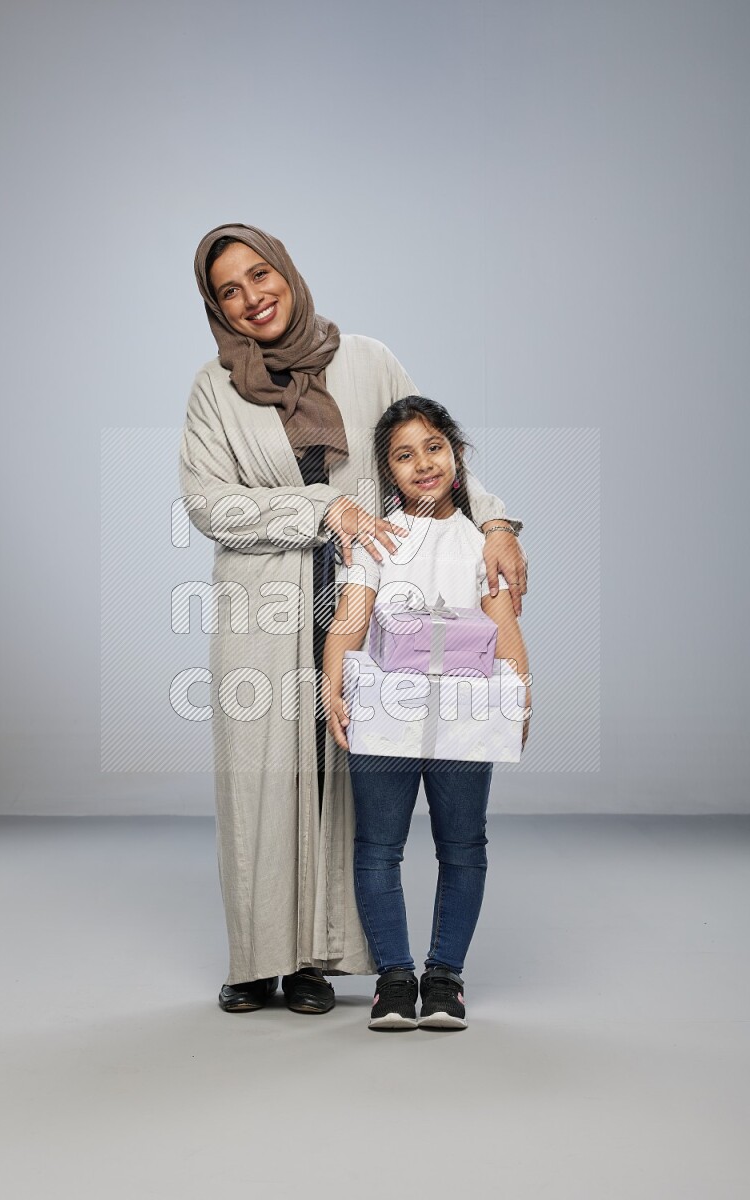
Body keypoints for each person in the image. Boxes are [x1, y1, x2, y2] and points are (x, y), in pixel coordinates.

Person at [178, 223, 527, 1016]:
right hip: (264, 605)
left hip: (375, 598)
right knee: (264, 780)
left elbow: (428, 456)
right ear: (217, 307)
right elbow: (207, 502)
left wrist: (501, 523)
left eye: (259, 274)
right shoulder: (214, 388)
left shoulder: (367, 359)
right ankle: (255, 957)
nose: (251, 297)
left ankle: (314, 960)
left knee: (347, 778)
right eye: (229, 289)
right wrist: (321, 507)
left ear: (288, 272)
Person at [322, 395, 531, 1031]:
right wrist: (334, 681)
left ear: (457, 456)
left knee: (463, 846)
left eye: (433, 448)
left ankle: (445, 978)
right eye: (403, 456)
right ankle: (394, 977)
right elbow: (350, 621)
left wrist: (520, 691)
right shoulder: (380, 538)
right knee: (379, 848)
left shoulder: (482, 542)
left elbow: (503, 628)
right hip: (387, 716)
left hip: (464, 719)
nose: (422, 464)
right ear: (388, 472)